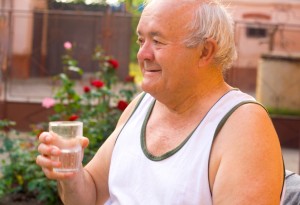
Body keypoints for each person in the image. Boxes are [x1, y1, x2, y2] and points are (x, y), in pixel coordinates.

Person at [36, 0, 285, 204]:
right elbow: (90, 195)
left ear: (205, 51)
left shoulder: (243, 126)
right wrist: (70, 173)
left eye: (157, 41)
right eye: (141, 40)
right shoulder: (142, 105)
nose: (142, 54)